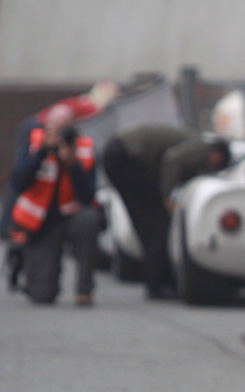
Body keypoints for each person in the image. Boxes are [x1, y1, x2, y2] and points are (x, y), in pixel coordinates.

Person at [101, 125, 231, 299]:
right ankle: (158, 283)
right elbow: (172, 159)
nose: (212, 168)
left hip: (117, 154)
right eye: (217, 165)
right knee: (158, 226)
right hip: (126, 157)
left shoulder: (192, 143)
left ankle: (156, 281)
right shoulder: (201, 150)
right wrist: (167, 196)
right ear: (217, 154)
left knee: (147, 225)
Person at [7, 105, 103, 305]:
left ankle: (84, 289)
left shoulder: (84, 147)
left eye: (65, 128)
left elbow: (89, 197)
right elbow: (18, 183)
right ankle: (25, 260)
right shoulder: (34, 143)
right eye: (55, 127)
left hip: (72, 218)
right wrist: (42, 152)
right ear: (46, 126)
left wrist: (73, 165)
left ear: (75, 127)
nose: (60, 134)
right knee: (42, 295)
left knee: (89, 218)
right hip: (41, 223)